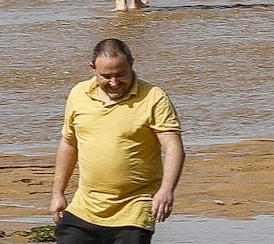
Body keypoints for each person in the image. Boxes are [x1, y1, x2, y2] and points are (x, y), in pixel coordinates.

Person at [51, 39, 184, 244]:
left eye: (121, 74)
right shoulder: (78, 94)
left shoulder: (154, 98)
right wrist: (58, 192)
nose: (114, 82)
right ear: (93, 69)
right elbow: (69, 143)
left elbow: (173, 147)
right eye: (106, 76)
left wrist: (166, 190)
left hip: (134, 208)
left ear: (131, 64)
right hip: (84, 206)